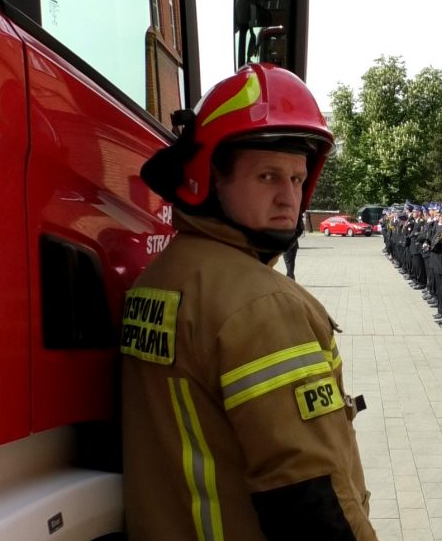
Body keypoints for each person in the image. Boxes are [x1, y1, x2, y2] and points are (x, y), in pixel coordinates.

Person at [122, 63, 376, 540]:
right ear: (210, 178)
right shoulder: (263, 306)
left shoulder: (158, 280)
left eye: (298, 180)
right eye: (267, 176)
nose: (289, 199)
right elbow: (309, 497)